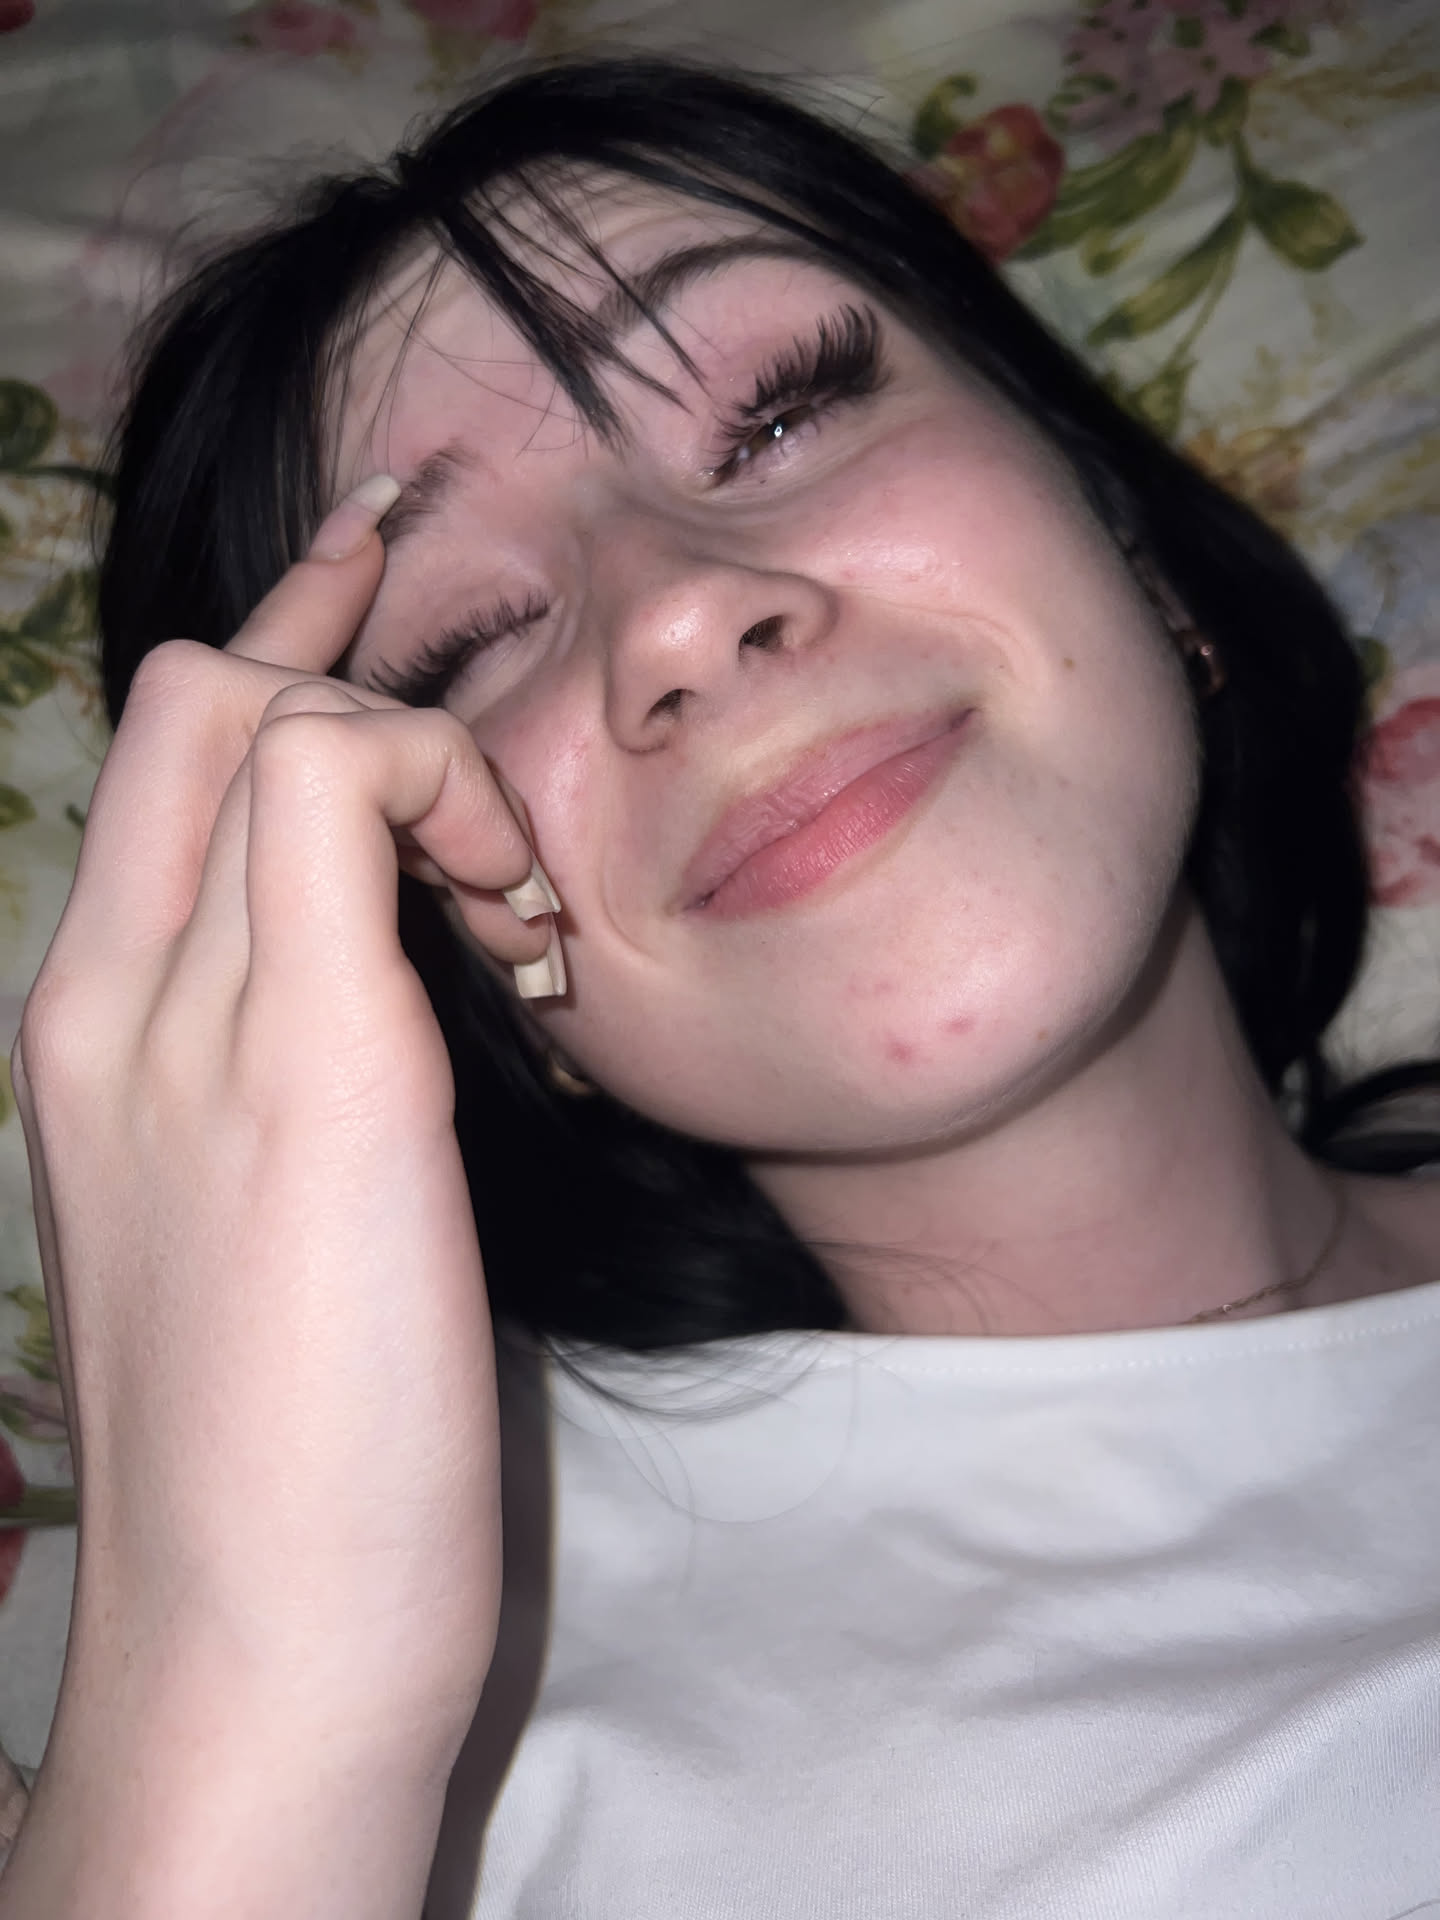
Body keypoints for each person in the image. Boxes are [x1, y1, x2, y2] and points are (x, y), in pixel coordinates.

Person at [3, 52, 1439, 1920]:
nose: (680, 609)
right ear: (447, 966)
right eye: (468, 640)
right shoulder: (235, 1710)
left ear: (1128, 536)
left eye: (779, 416)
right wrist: (234, 1695)